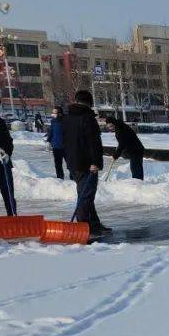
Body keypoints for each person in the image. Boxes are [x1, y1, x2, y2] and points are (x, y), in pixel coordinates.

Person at [62, 89, 108, 235]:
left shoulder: (67, 118)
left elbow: (64, 142)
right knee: (86, 196)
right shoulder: (87, 118)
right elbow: (93, 143)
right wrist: (95, 162)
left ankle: (93, 223)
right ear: (90, 103)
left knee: (84, 193)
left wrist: (68, 160)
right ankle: (84, 226)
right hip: (87, 163)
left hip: (73, 162)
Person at [102, 115, 145, 181]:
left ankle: (138, 183)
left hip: (136, 150)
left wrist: (116, 155)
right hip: (135, 150)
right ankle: (138, 182)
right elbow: (121, 143)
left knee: (135, 168)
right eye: (109, 127)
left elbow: (122, 144)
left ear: (114, 123)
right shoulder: (120, 127)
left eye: (111, 126)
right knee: (135, 167)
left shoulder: (121, 129)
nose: (111, 128)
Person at [46, 105, 67, 179]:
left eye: (55, 113)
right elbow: (51, 132)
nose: (53, 114)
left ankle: (73, 178)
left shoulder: (66, 121)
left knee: (70, 164)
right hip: (56, 146)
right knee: (58, 164)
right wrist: (48, 141)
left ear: (60, 114)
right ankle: (60, 178)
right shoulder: (53, 121)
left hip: (66, 146)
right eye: (53, 113)